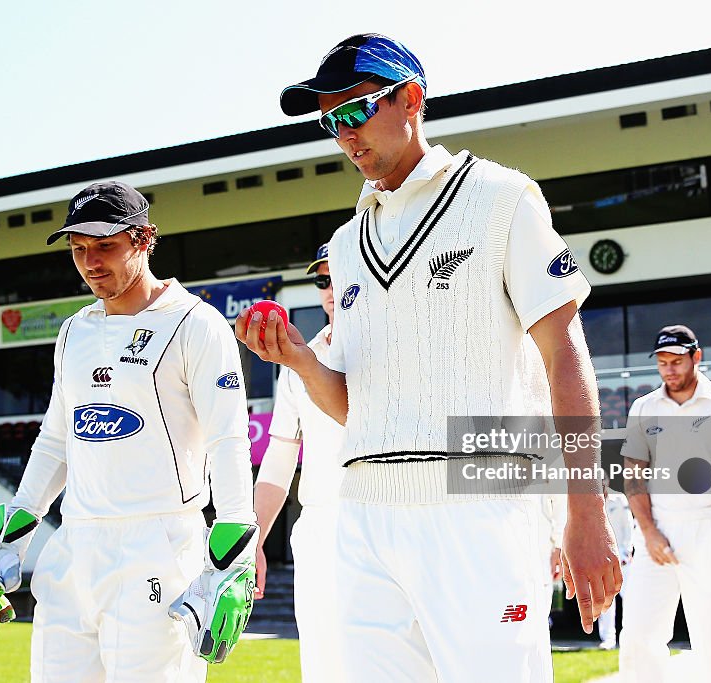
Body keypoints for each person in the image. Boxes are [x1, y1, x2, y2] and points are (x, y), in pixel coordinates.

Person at [238, 34, 621, 682]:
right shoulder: (346, 243)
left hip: (480, 509)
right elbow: (355, 405)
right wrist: (303, 360)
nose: (343, 135)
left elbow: (564, 355)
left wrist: (585, 510)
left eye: (354, 111)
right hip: (367, 521)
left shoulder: (501, 198)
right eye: (330, 122)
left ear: (410, 99)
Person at [0, 181, 257, 682]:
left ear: (144, 239)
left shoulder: (196, 323)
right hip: (74, 546)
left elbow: (228, 439)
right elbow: (57, 440)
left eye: (105, 246)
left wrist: (233, 562)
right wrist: (5, 546)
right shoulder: (74, 330)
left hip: (158, 546)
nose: (90, 262)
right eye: (79, 249)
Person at [619, 324, 711, 682]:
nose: (669, 369)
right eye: (663, 362)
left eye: (677, 361)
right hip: (656, 532)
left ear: (696, 357)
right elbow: (633, 477)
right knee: (638, 635)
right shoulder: (644, 406)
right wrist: (649, 532)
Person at [253, 243, 347, 681]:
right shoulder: (295, 364)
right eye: (321, 280)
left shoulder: (399, 347)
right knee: (324, 669)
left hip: (389, 518)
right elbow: (277, 463)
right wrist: (252, 539)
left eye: (339, 275)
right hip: (320, 529)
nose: (329, 289)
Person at [598, 482, 634, 650]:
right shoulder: (589, 500)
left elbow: (628, 526)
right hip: (602, 558)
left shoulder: (619, 498)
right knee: (606, 599)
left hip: (622, 557)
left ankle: (631, 635)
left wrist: (627, 551)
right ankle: (608, 639)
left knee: (629, 598)